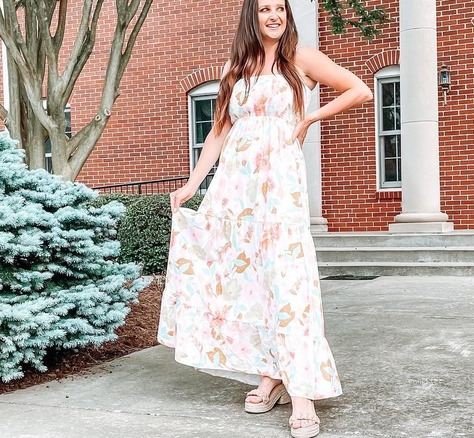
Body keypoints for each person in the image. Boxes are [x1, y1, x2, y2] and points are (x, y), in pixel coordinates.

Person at [158, 1, 372, 436]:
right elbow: (219, 131)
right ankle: (270, 375)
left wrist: (311, 117)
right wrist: (193, 184)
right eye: (264, 9)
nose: (274, 16)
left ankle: (303, 390)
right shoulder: (235, 67)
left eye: (280, 8)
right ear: (251, 17)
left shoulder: (301, 57)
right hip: (235, 191)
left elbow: (358, 90)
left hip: (280, 190)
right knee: (247, 281)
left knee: (287, 280)